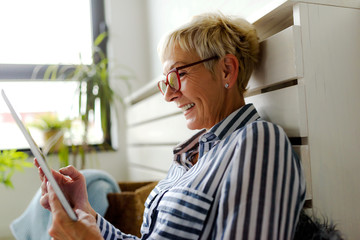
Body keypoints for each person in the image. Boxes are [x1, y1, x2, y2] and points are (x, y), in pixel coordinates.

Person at [35, 12, 306, 240]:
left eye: (178, 75)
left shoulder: (257, 143)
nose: (168, 94)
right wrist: (87, 213)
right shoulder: (188, 158)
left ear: (226, 70)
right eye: (165, 82)